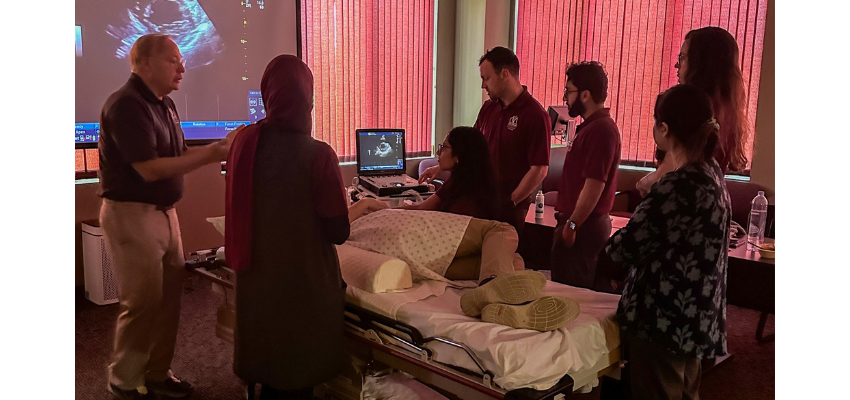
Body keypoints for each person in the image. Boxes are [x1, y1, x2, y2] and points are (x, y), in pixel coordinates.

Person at [98, 33, 238, 400]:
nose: (183, 66)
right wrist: (214, 154)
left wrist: (226, 144)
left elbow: (177, 155)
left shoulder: (165, 105)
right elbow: (149, 169)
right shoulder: (125, 105)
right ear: (143, 63)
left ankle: (158, 373)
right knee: (142, 302)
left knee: (170, 299)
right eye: (172, 60)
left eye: (181, 60)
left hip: (164, 214)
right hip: (131, 215)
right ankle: (124, 379)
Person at [224, 55, 351, 400]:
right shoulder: (318, 155)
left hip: (256, 280)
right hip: (302, 286)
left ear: (268, 95)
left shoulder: (243, 145)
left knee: (267, 365)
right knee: (296, 376)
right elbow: (338, 231)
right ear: (307, 99)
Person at [606, 84, 732, 399]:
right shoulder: (713, 174)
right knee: (686, 391)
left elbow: (626, 247)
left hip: (664, 319)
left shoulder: (677, 187)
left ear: (664, 129)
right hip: (698, 314)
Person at [420, 46, 550, 234]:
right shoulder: (489, 108)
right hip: (481, 200)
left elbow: (539, 169)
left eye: (486, 78)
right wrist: (440, 168)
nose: (483, 85)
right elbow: (468, 149)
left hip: (508, 207)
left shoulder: (535, 115)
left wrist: (511, 201)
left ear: (505, 74)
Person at [636, 26, 750, 196]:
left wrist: (646, 182)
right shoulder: (730, 111)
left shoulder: (695, 112)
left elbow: (671, 171)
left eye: (682, 57)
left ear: (701, 63)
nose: (676, 65)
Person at [550, 61, 621, 290]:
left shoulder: (601, 130)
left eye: (569, 91)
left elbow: (594, 185)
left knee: (572, 295)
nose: (565, 98)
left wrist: (572, 225)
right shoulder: (589, 127)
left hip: (583, 226)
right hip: (576, 222)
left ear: (586, 94)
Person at [401, 126, 509, 222]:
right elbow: (422, 208)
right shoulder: (456, 182)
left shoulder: (466, 201)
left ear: (458, 156)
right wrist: (387, 209)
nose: (438, 152)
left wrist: (389, 210)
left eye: (444, 147)